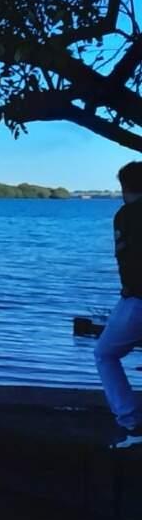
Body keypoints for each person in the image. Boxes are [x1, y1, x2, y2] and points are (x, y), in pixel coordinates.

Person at [98, 160, 142, 448]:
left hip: (138, 298)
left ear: (125, 187)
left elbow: (129, 261)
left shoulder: (126, 216)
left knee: (105, 354)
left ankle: (131, 423)